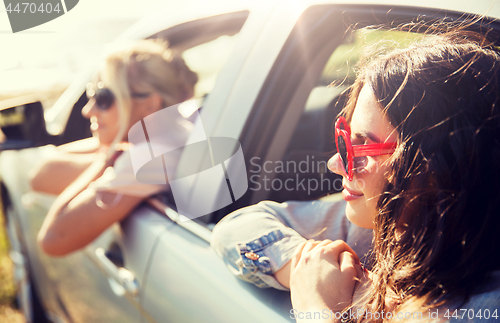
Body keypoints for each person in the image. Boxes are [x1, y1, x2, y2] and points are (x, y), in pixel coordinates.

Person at [212, 27, 500, 321]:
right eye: (344, 140)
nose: (336, 164)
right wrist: (309, 269)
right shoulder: (379, 228)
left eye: (360, 146)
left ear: (436, 165)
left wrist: (318, 309)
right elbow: (234, 228)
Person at [31, 40, 198, 256]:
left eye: (103, 98)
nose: (88, 110)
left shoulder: (147, 157)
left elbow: (53, 240)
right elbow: (42, 173)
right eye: (92, 94)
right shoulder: (178, 135)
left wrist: (107, 160)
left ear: (150, 104)